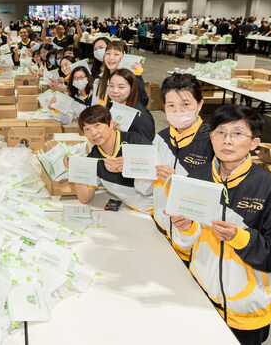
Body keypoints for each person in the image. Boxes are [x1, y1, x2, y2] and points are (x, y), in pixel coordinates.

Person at [169, 105, 271, 345]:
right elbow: (186, 246)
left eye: (238, 133)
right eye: (221, 132)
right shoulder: (196, 179)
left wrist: (241, 237)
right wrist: (185, 230)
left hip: (248, 308)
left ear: (254, 142)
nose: (227, 140)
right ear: (212, 137)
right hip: (201, 297)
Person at [134, 73, 214, 262]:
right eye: (171, 105)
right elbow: (143, 189)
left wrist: (178, 182)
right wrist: (142, 172)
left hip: (195, 241)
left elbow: (216, 199)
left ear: (200, 105)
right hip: (161, 230)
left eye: (186, 104)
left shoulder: (211, 141)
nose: (178, 111)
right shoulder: (161, 138)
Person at [63, 105, 152, 211]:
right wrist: (75, 170)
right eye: (87, 129)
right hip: (133, 210)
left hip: (158, 210)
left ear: (110, 123)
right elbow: (84, 198)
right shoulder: (94, 157)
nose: (93, 133)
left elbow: (155, 181)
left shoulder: (137, 142)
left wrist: (131, 167)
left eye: (97, 125)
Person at [95, 41, 148, 107]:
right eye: (108, 53)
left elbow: (143, 102)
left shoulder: (130, 79)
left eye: (116, 54)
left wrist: (138, 76)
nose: (111, 57)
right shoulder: (100, 79)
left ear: (125, 57)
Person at [106, 69, 155, 141]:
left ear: (132, 88)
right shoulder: (113, 106)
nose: (114, 91)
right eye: (111, 86)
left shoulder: (140, 116)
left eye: (121, 87)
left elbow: (145, 146)